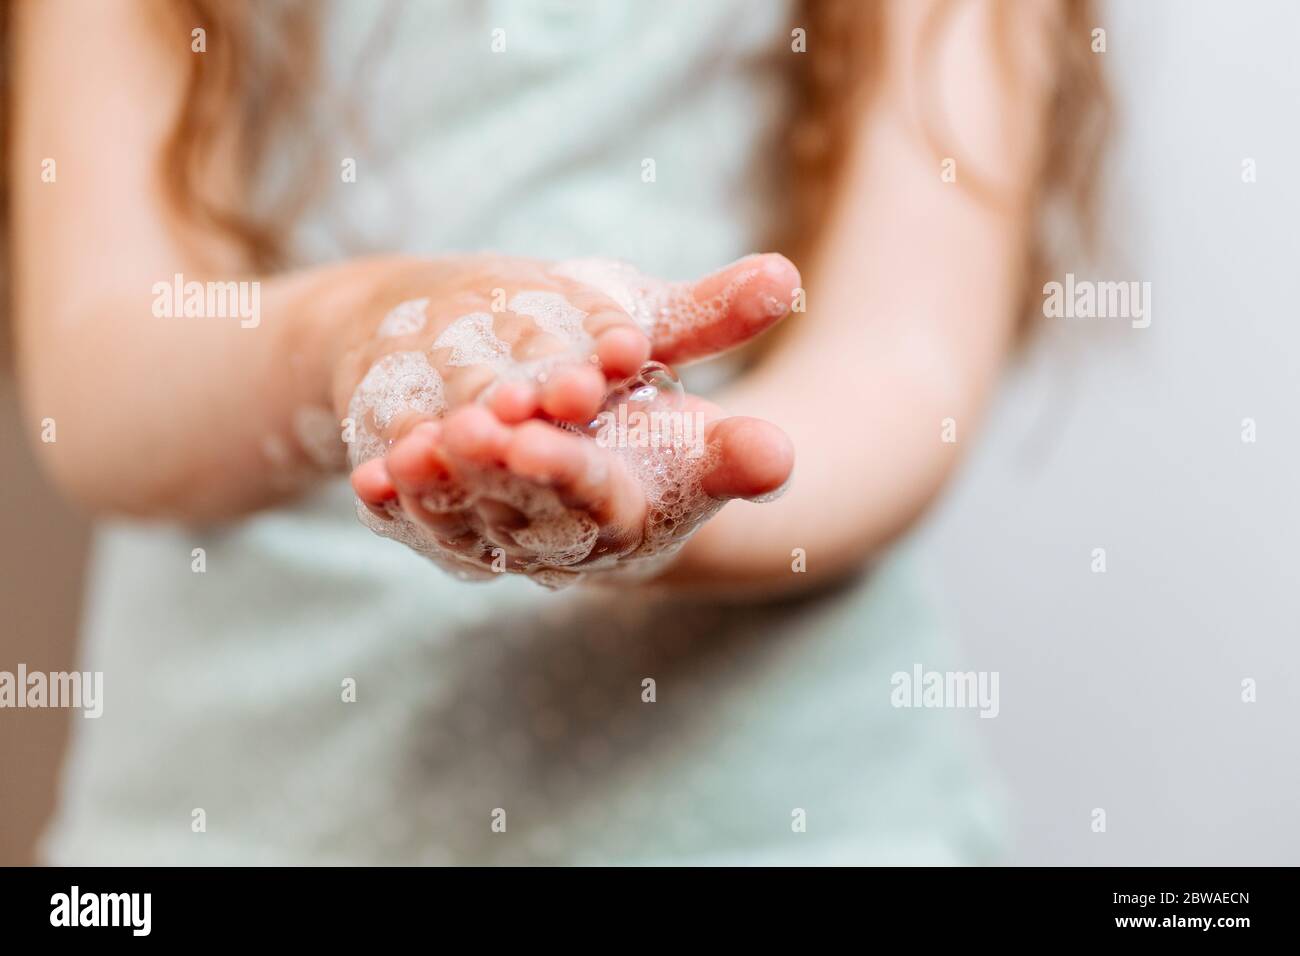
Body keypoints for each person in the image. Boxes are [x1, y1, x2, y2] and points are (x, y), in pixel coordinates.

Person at [7, 0, 1106, 864]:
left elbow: (902, 372)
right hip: (236, 814)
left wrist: (679, 486)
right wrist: (357, 338)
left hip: (784, 817)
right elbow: (99, 377)